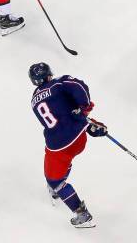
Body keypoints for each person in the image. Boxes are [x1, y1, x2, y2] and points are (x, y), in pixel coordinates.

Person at [29, 62, 108, 228]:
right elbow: (78, 86)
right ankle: (93, 126)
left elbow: (58, 113)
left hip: (59, 146)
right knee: (65, 158)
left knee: (54, 181)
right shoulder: (59, 83)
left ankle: (82, 214)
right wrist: (85, 111)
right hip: (79, 139)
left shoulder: (34, 101)